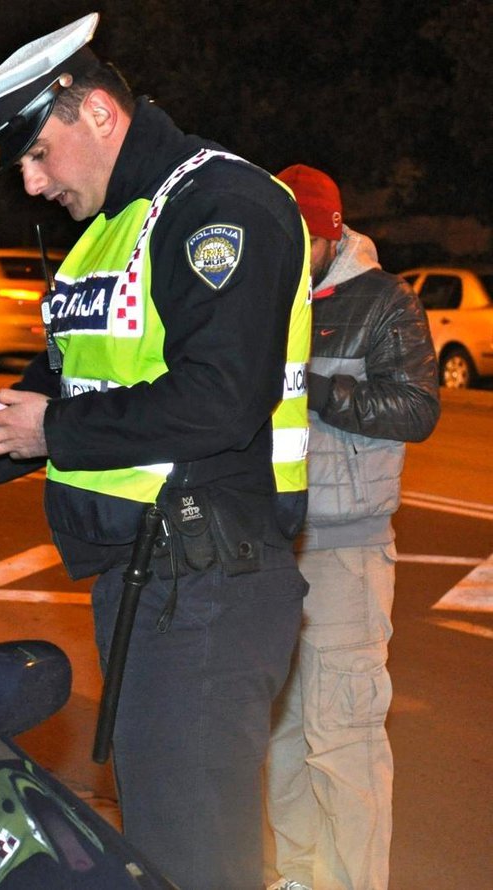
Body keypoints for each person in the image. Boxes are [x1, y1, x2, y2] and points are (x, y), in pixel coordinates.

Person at [0, 12, 312, 888]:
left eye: (36, 154)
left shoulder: (221, 206)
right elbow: (53, 385)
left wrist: (50, 431)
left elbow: (220, 397)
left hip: (208, 578)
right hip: (149, 581)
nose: (28, 181)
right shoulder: (107, 233)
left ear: (95, 113)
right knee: (165, 840)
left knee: (194, 857)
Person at [264, 166, 439, 890]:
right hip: (270, 549)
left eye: (298, 237)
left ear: (330, 233)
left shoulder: (384, 301)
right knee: (279, 741)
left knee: (344, 740)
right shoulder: (265, 298)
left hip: (346, 553)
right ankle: (295, 879)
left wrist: (311, 380)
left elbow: (416, 409)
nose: (285, 249)